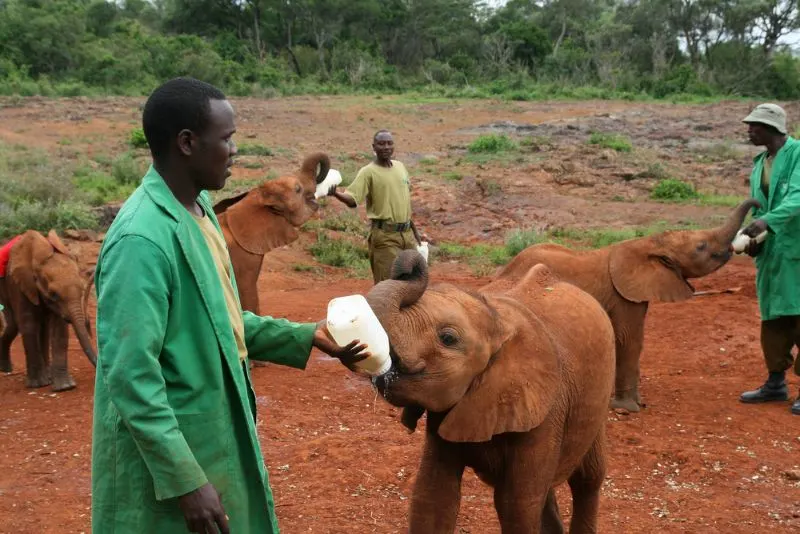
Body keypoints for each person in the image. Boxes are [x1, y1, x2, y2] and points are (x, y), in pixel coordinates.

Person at [90, 77, 369, 533]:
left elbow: (217, 319)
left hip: (213, 439)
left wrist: (305, 336)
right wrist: (184, 481)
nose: (235, 149)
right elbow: (129, 375)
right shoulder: (141, 240)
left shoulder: (198, 209)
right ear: (187, 143)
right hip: (172, 466)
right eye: (226, 138)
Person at [737, 103, 800, 415]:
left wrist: (767, 222)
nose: (749, 131)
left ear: (772, 128)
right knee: (774, 318)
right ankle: (775, 382)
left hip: (796, 250)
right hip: (773, 254)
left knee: (799, 315)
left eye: (755, 126)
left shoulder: (798, 154)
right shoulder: (760, 163)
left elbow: (797, 198)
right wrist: (755, 240)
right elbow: (759, 209)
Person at [328, 130, 428, 284]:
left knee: (414, 282)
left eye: (389, 143)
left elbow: (403, 200)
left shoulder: (400, 167)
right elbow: (352, 200)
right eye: (381, 144)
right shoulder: (368, 172)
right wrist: (336, 193)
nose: (386, 147)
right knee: (388, 285)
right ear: (374, 147)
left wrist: (414, 231)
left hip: (407, 235)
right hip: (385, 236)